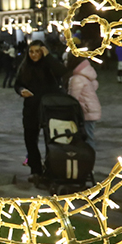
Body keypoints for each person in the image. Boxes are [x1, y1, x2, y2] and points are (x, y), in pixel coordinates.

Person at [14, 40, 66, 181]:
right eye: (31, 51)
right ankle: (35, 169)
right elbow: (18, 83)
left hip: (49, 107)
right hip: (31, 108)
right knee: (30, 139)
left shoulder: (49, 64)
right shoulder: (25, 66)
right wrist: (21, 90)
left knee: (51, 140)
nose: (34, 54)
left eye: (37, 51)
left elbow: (61, 71)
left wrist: (48, 57)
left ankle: (51, 168)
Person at [66, 53, 101, 150]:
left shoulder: (76, 79)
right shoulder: (86, 75)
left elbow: (73, 98)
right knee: (89, 135)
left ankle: (89, 156)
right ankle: (89, 155)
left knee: (87, 138)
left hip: (85, 112)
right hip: (91, 110)